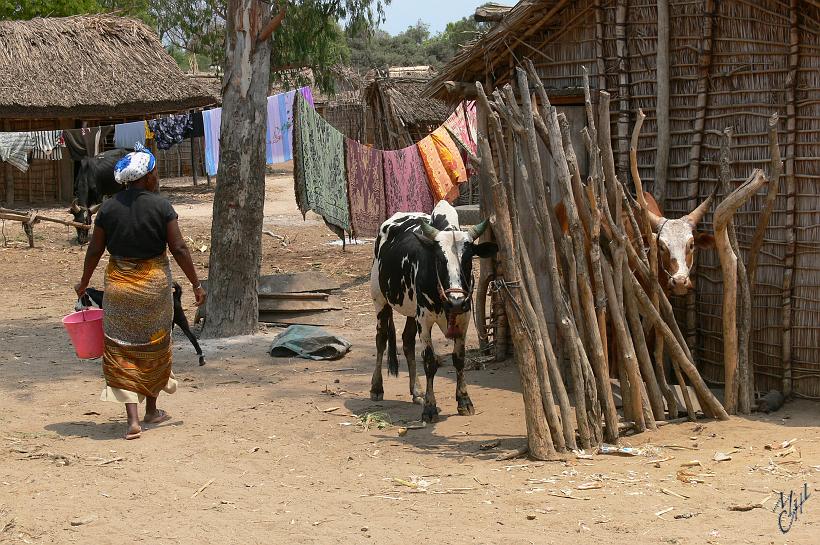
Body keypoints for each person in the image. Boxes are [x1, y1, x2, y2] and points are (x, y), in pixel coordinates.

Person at [75, 145, 206, 440]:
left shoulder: (107, 209)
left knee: (121, 348)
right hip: (154, 288)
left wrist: (83, 283)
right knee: (154, 345)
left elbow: (95, 249)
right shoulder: (161, 206)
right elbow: (180, 249)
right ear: (146, 177)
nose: (157, 176)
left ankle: (133, 420)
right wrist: (197, 284)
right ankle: (152, 410)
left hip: (119, 289)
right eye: (155, 172)